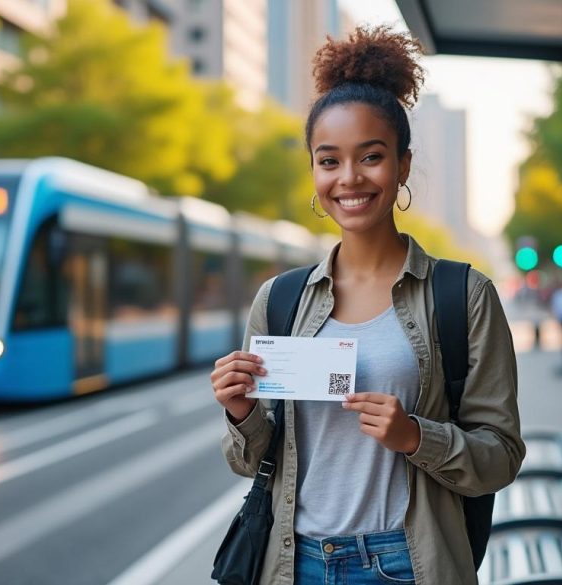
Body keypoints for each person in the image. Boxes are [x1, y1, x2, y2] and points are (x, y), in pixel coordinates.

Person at [210, 27, 524, 585]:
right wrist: (240, 412)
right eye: (329, 161)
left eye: (371, 157)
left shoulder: (464, 295)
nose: (349, 178)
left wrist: (414, 436)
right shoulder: (280, 299)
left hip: (408, 563)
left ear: (402, 165)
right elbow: (249, 460)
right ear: (313, 171)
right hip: (294, 564)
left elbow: (500, 456)